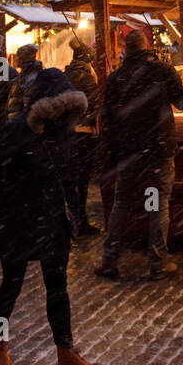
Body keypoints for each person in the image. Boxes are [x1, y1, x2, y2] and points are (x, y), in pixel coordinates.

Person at [0, 68, 100, 365]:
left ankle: (66, 352)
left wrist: (72, 218)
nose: (65, 117)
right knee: (11, 285)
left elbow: (69, 177)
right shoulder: (15, 130)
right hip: (16, 218)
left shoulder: (65, 132)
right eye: (60, 109)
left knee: (58, 287)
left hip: (52, 218)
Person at [95, 31, 183, 281]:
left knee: (122, 203)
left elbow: (107, 116)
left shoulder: (117, 77)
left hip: (128, 150)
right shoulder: (162, 71)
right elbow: (182, 103)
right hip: (158, 148)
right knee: (158, 205)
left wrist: (112, 149)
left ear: (126, 49)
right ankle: (157, 263)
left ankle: (110, 260)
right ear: (146, 46)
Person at [64, 38, 102, 235]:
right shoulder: (87, 77)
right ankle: (80, 221)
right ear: (89, 60)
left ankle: (73, 219)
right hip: (83, 134)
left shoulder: (66, 74)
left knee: (71, 179)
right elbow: (94, 106)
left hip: (67, 134)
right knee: (82, 180)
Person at [6, 44, 43, 120]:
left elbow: (28, 104)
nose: (16, 60)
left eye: (18, 57)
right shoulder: (22, 76)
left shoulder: (31, 78)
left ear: (23, 59)